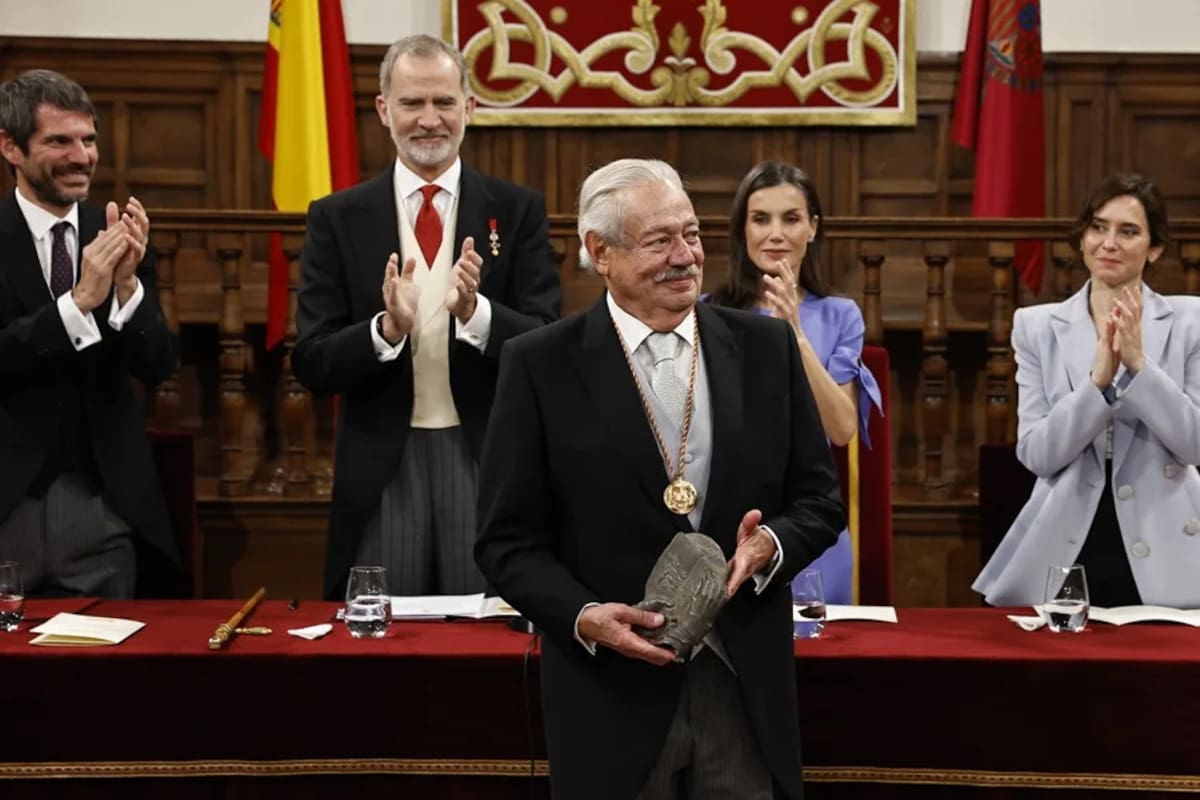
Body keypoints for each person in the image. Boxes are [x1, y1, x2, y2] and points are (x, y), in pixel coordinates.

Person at [475, 158, 844, 800]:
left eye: (693, 234)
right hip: (609, 695)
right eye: (659, 241)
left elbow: (819, 499)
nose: (685, 256)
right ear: (601, 252)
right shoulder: (539, 365)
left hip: (742, 688)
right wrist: (584, 615)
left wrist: (770, 547)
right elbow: (505, 544)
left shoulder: (766, 349)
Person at [293, 35, 561, 600]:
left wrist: (477, 313)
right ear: (384, 110)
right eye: (412, 104)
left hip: (484, 456)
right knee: (383, 654)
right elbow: (312, 361)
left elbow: (547, 339)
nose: (429, 120)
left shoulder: (516, 211)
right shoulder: (338, 218)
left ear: (469, 107)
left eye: (443, 102)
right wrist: (384, 330)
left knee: (489, 648)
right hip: (383, 465)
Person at [975, 173, 1200, 607]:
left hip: (1168, 530)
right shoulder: (1036, 326)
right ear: (1082, 239)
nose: (1109, 242)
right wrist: (1096, 385)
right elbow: (1038, 455)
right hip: (1069, 534)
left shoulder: (1192, 323)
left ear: (1155, 248)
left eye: (1128, 231)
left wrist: (1139, 367)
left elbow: (1195, 445)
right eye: (1098, 227)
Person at [0, 69, 179, 598]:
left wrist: (126, 289)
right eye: (59, 141)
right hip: (6, 509)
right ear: (11, 147)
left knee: (104, 679)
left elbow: (159, 364)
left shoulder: (116, 234)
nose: (81, 156)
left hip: (102, 517)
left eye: (88, 140)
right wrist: (76, 306)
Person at [708, 161, 882, 605]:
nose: (775, 234)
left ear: (813, 228)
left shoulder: (840, 315)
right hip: (725, 519)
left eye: (791, 218)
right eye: (760, 219)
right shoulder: (709, 314)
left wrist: (794, 335)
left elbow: (842, 429)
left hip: (809, 521)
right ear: (742, 230)